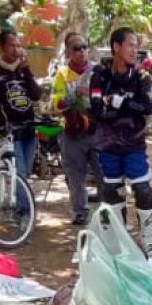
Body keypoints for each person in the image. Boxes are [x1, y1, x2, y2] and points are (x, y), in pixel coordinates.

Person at [90, 27, 152, 260]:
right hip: (108, 145)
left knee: (143, 190)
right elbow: (97, 110)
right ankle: (118, 242)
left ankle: (150, 241)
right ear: (116, 47)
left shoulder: (142, 77)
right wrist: (129, 107)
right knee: (112, 192)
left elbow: (148, 108)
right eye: (130, 44)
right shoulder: (100, 75)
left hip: (134, 144)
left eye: (136, 45)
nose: (135, 50)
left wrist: (118, 102)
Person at [0, 29, 43, 212]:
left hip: (29, 128)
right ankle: (25, 214)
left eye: (19, 45)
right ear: (2, 48)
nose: (16, 50)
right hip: (9, 131)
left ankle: (21, 209)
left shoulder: (23, 69)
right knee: (19, 172)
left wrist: (27, 70)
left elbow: (36, 95)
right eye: (12, 45)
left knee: (25, 172)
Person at [51, 32, 99, 225]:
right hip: (71, 131)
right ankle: (80, 211)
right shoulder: (61, 74)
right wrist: (73, 98)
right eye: (76, 48)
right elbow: (55, 104)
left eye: (84, 47)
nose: (81, 52)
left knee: (104, 172)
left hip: (96, 130)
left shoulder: (98, 72)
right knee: (74, 175)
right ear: (68, 52)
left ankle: (109, 210)